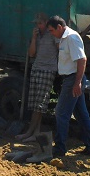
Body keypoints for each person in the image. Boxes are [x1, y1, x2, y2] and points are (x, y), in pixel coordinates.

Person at [46, 15, 90, 158]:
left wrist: (77, 82)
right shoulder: (64, 38)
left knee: (61, 113)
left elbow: (82, 59)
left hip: (73, 79)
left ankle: (60, 148)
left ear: (59, 27)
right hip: (71, 79)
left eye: (52, 30)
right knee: (81, 114)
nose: (51, 33)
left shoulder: (71, 37)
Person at [16, 12, 59, 142]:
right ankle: (36, 132)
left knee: (40, 104)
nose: (38, 26)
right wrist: (34, 38)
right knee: (35, 104)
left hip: (48, 70)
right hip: (36, 69)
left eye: (40, 23)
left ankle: (30, 132)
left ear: (46, 23)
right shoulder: (37, 36)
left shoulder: (52, 35)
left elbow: (60, 49)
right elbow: (31, 54)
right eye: (36, 23)